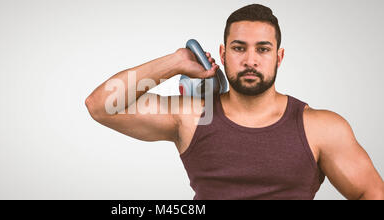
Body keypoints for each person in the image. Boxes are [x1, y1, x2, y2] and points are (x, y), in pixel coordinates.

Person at [85, 4, 384, 200]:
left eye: (263, 50)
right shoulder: (193, 116)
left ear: (279, 57)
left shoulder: (320, 127)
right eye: (239, 48)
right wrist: (175, 62)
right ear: (223, 54)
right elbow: (100, 105)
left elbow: (370, 193)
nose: (250, 60)